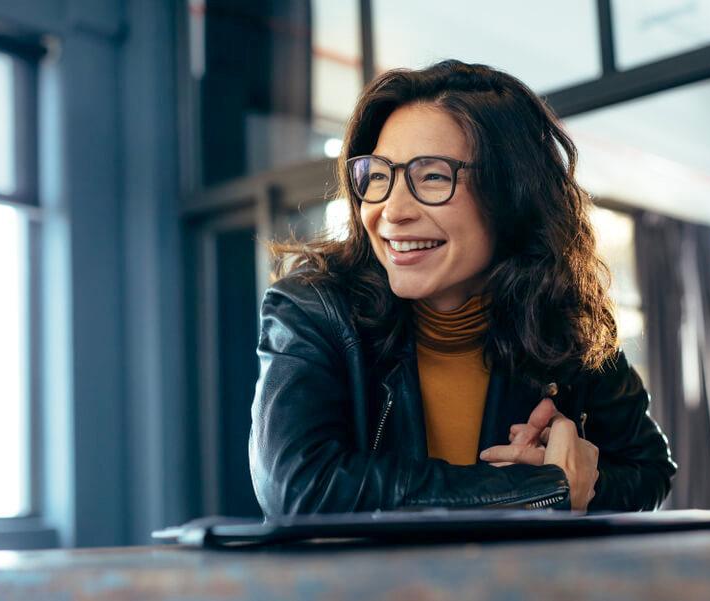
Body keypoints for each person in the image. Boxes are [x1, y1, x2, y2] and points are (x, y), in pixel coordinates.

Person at [249, 59, 676, 517]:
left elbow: (649, 468)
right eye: (377, 176)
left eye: (432, 176)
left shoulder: (559, 315)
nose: (391, 211)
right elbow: (297, 488)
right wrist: (539, 489)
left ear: (512, 192)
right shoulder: (313, 309)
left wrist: (582, 479)